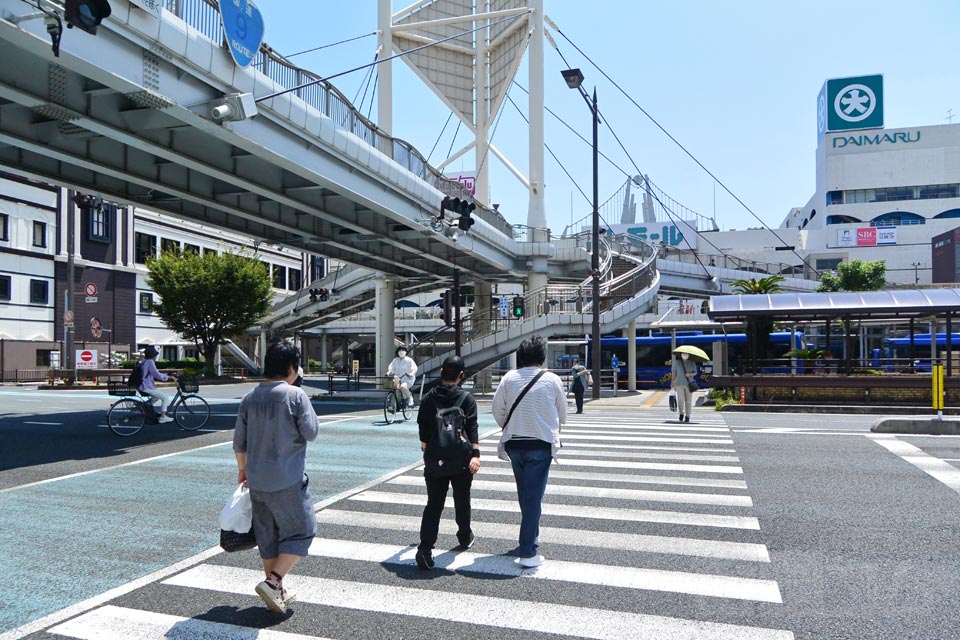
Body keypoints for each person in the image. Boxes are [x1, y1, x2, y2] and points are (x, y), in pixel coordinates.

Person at [233, 342, 320, 614]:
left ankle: (276, 592)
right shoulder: (295, 395)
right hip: (287, 479)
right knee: (303, 530)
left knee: (268, 537)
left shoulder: (249, 397)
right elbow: (311, 432)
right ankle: (273, 582)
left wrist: (243, 471)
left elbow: (239, 443)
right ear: (292, 367)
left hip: (256, 480)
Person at [492, 335, 567, 568]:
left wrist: (510, 425)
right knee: (534, 496)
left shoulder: (509, 377)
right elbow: (562, 414)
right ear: (542, 357)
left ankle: (532, 535)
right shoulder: (552, 379)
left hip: (514, 442)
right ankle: (527, 551)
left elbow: (497, 410)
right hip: (540, 443)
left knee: (526, 494)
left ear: (521, 356)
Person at [415, 355, 480, 570]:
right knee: (462, 499)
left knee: (434, 504)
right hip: (461, 459)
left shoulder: (428, 398)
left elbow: (423, 429)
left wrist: (428, 450)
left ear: (442, 372)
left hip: (435, 459)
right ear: (461, 375)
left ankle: (425, 547)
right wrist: (475, 455)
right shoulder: (467, 399)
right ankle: (464, 536)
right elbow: (472, 429)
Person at [139, 346, 174, 423]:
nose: (156, 356)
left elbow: (154, 373)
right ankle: (163, 417)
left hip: (141, 385)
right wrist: (167, 377)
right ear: (152, 355)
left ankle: (144, 407)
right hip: (146, 386)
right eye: (155, 355)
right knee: (165, 397)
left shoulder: (144, 361)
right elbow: (156, 374)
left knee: (156, 397)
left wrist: (166, 375)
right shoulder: (150, 362)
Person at [671, 352, 699, 423]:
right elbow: (674, 373)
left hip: (689, 384)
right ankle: (681, 413)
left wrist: (689, 374)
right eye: (683, 354)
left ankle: (687, 416)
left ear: (689, 355)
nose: (685, 355)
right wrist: (672, 384)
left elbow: (695, 372)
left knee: (688, 401)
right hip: (678, 383)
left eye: (686, 354)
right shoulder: (677, 362)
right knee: (681, 400)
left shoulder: (692, 363)